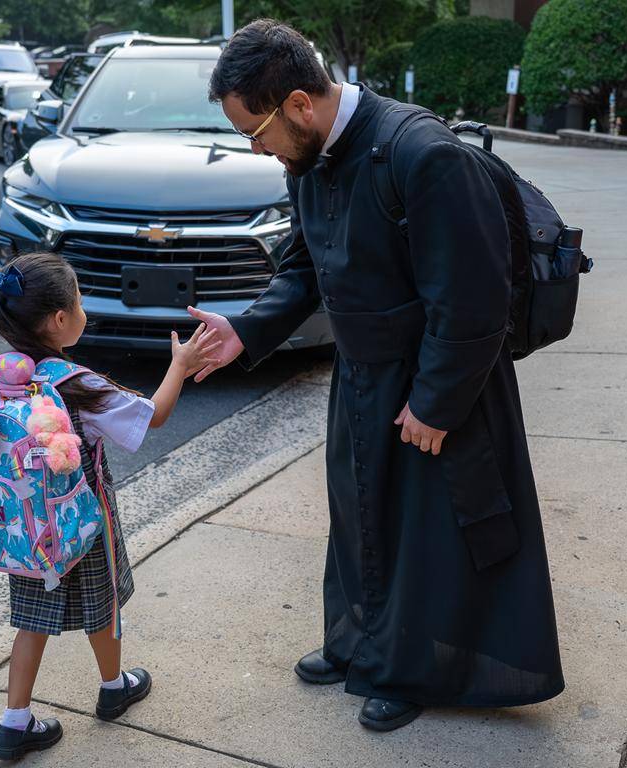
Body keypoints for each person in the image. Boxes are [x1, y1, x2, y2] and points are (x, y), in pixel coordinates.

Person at [187, 19, 565, 732]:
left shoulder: (423, 156)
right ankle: (360, 644)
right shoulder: (312, 160)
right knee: (362, 517)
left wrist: (436, 403)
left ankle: (411, 669)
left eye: (255, 130)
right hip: (362, 376)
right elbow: (304, 266)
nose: (256, 148)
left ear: (299, 103)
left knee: (428, 531)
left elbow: (474, 301)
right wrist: (246, 330)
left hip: (435, 380)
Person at [0, 252, 220, 759]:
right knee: (103, 605)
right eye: (80, 302)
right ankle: (114, 687)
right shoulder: (76, 383)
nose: (84, 311)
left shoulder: (4, 379)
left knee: (32, 619)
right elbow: (151, 417)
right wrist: (178, 365)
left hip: (29, 529)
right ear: (59, 321)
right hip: (83, 521)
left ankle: (14, 721)